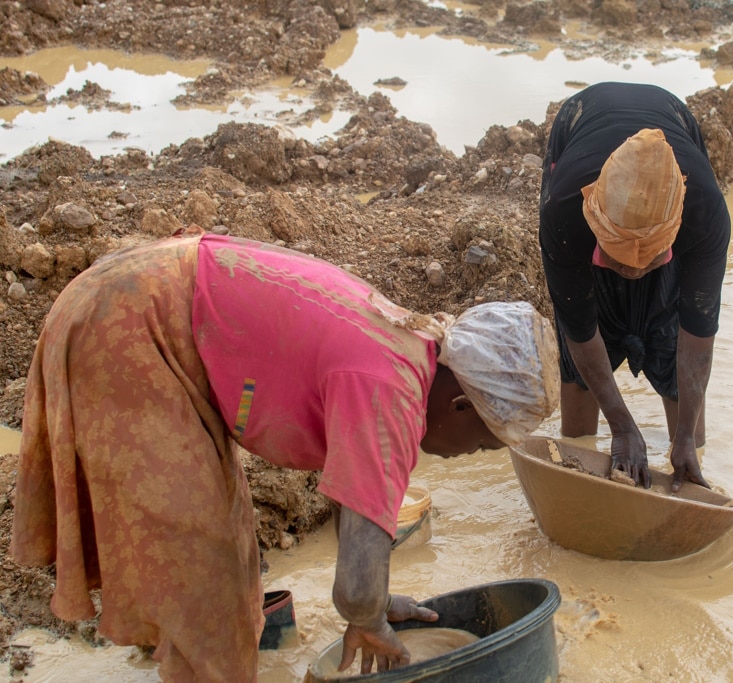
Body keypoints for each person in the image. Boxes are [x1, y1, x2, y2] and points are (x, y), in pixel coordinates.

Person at [11, 229, 560, 682]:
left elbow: (356, 509)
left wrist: (377, 601)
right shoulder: (391, 394)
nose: (470, 455)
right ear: (462, 404)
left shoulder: (407, 349)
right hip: (131, 322)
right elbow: (352, 590)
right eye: (485, 442)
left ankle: (176, 644)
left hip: (148, 294)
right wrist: (368, 617)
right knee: (201, 568)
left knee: (225, 545)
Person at [538, 81, 731, 491]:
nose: (631, 271)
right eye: (618, 258)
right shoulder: (565, 211)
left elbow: (697, 332)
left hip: (672, 117)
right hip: (582, 119)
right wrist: (622, 427)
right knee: (580, 362)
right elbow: (578, 325)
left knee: (669, 331)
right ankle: (580, 459)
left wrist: (683, 441)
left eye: (648, 258)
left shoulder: (705, 211)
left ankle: (686, 452)